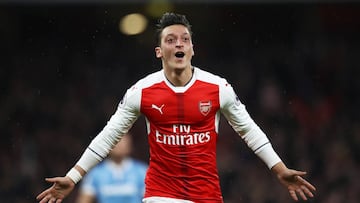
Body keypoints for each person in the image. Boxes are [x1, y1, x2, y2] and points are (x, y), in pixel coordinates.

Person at [36, 12, 316, 203]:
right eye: (171, 40)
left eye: (184, 39)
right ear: (159, 51)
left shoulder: (218, 88)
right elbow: (108, 136)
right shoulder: (141, 92)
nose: (178, 44)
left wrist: (279, 169)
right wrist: (74, 177)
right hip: (161, 191)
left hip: (207, 194)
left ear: (193, 48)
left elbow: (250, 131)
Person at [76, 133, 147, 203]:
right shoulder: (95, 174)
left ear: (130, 146)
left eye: (123, 142)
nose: (120, 145)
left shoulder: (142, 171)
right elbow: (84, 199)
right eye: (117, 141)